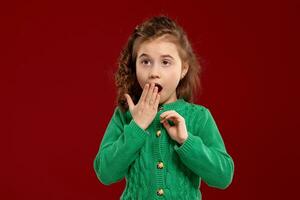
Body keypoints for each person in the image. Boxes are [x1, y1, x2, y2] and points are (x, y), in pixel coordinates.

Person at [93, 15, 234, 199]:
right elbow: (106, 173)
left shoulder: (199, 117)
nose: (154, 73)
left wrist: (186, 140)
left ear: (183, 69)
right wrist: (137, 127)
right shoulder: (125, 115)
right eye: (145, 62)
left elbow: (222, 177)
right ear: (134, 67)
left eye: (165, 62)